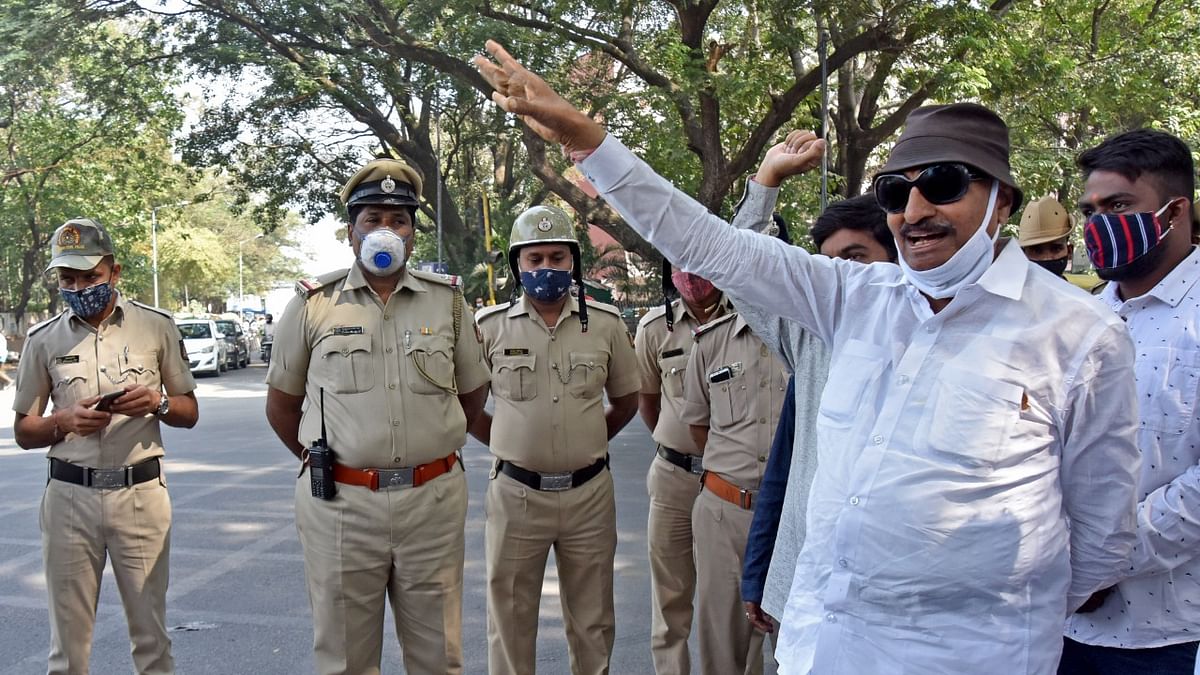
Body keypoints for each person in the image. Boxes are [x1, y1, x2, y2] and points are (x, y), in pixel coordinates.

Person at [473, 42, 1143, 673]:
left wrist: (976, 598)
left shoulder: (1082, 337)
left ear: (1002, 202)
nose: (914, 210)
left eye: (942, 184)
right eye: (894, 192)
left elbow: (1099, 544)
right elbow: (713, 246)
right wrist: (584, 139)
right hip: (829, 646)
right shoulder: (854, 297)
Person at [264, 158, 491, 675]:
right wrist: (323, 458)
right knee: (345, 660)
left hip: (431, 503)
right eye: (372, 219)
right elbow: (282, 406)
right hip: (342, 506)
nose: (385, 230)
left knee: (438, 658)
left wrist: (431, 441)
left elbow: (472, 396)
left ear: (412, 235)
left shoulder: (450, 304)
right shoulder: (312, 306)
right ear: (351, 232)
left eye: (399, 220)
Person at [12, 218, 199, 675]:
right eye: (67, 279)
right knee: (68, 649)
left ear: (113, 271)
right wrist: (62, 422)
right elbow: (24, 431)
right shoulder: (43, 340)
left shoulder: (155, 328)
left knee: (151, 640)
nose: (78, 288)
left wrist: (156, 402)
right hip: (70, 500)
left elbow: (189, 413)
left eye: (89, 276)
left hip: (140, 496)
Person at [470, 204, 640, 675]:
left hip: (589, 494)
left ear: (574, 263)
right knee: (510, 616)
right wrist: (511, 445)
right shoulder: (490, 327)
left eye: (557, 258)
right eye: (536, 259)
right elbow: (468, 409)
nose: (547, 268)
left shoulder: (604, 324)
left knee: (593, 620)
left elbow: (625, 402)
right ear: (518, 266)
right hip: (517, 494)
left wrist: (583, 443)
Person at [1060, 129, 1200, 674]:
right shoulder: (1078, 320)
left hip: (1167, 633)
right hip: (1059, 620)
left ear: (1175, 210)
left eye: (1118, 206)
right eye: (1090, 210)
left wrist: (1103, 559)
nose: (1099, 224)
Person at [730, 191, 898, 634]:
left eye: (855, 257)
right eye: (828, 263)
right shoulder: (810, 338)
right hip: (806, 591)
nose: (840, 275)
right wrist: (766, 182)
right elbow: (736, 265)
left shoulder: (936, 343)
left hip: (892, 600)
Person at [680, 306, 789, 675]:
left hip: (792, 520)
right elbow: (698, 426)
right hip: (725, 514)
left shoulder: (807, 335)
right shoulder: (711, 341)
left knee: (796, 645)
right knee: (722, 646)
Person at [635, 261, 730, 675]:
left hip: (730, 483)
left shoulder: (747, 317)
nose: (691, 274)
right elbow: (648, 403)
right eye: (679, 263)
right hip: (674, 477)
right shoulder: (655, 328)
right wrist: (678, 443)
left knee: (728, 598)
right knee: (670, 596)